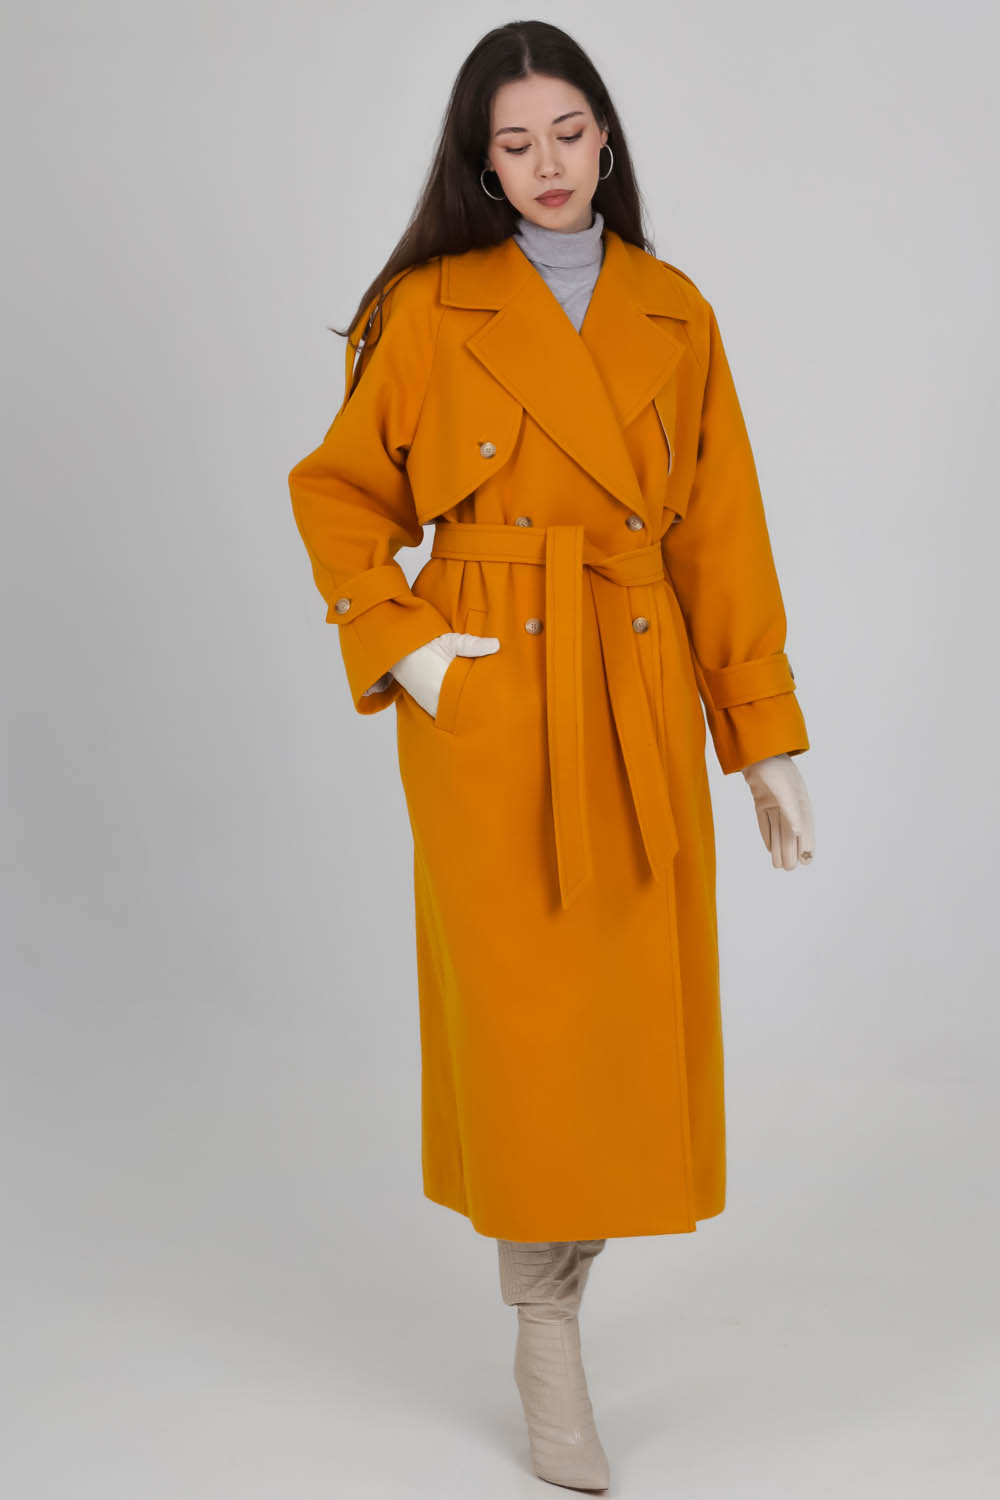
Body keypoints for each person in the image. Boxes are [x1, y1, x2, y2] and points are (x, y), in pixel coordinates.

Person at [288, 19, 815, 1494]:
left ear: (605, 136)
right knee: (526, 1030)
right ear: (480, 161)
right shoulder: (425, 310)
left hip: (635, 687)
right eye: (513, 143)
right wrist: (411, 649)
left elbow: (723, 532)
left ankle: (562, 1298)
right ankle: (545, 1327)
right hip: (494, 697)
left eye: (568, 133)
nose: (547, 165)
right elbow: (337, 494)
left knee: (622, 1025)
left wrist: (761, 738)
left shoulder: (674, 312)